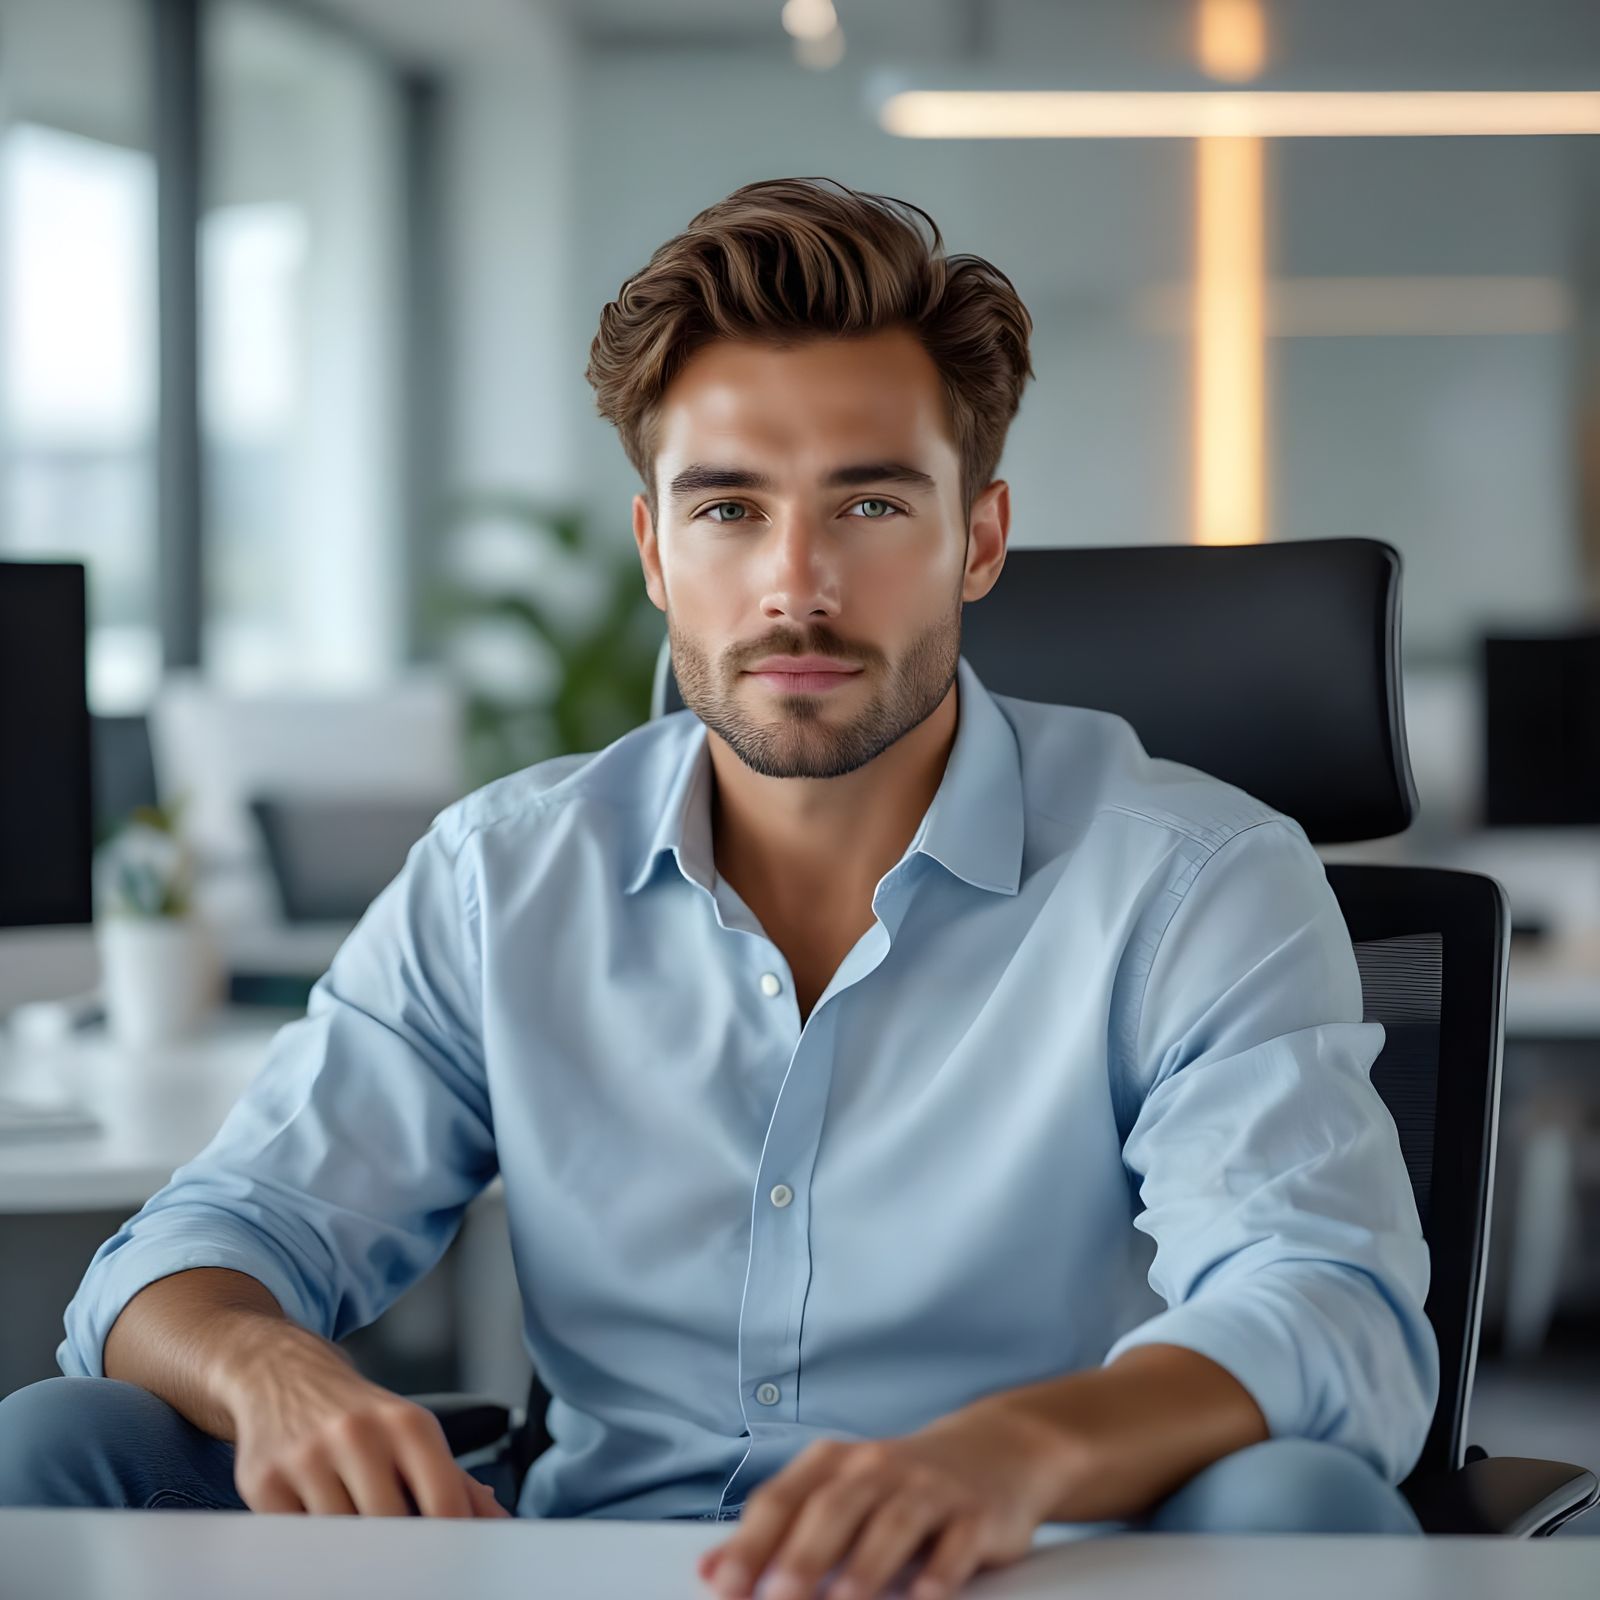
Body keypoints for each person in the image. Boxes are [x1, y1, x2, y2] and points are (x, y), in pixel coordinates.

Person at [0, 177, 1435, 1599]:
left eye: (870, 503)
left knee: (1307, 1502)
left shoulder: (1193, 882)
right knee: (69, 1444)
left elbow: (1323, 1305)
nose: (795, 585)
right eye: (731, 509)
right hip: (585, 1568)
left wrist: (1006, 1456)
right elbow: (199, 1247)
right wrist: (270, 1372)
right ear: (654, 552)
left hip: (1015, 1566)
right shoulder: (504, 876)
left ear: (978, 539)